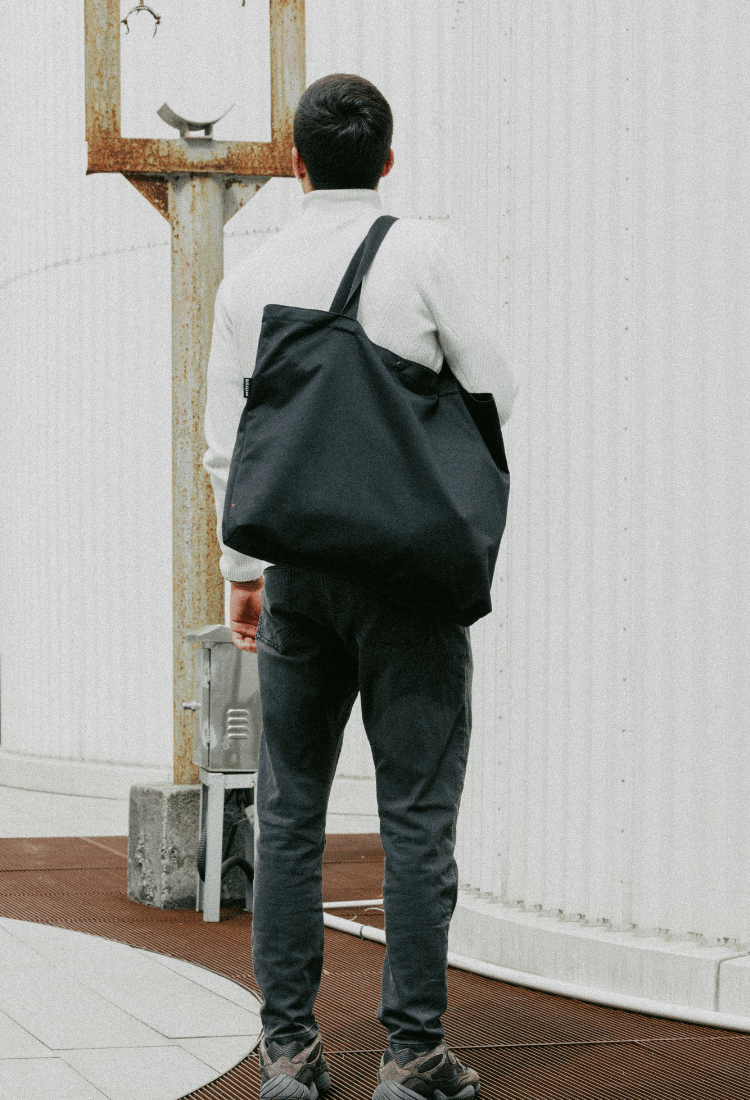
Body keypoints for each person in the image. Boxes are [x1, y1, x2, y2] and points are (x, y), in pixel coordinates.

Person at [204, 73, 517, 1100]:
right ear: (387, 158)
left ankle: (289, 1055)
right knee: (416, 815)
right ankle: (413, 1056)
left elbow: (227, 445)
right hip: (411, 578)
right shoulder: (425, 251)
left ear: (295, 163)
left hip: (298, 575)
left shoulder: (251, 276)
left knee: (291, 812)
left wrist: (242, 575)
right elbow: (495, 388)